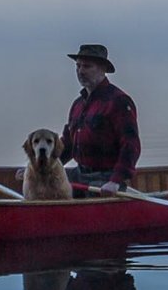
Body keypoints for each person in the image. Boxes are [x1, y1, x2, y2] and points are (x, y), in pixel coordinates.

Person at [60, 44, 140, 196]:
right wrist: (37, 168)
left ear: (103, 69)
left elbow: (131, 145)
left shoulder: (119, 102)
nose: (80, 71)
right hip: (79, 173)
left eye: (87, 66)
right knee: (49, 185)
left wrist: (116, 181)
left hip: (105, 178)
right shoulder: (78, 104)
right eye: (78, 66)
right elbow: (67, 145)